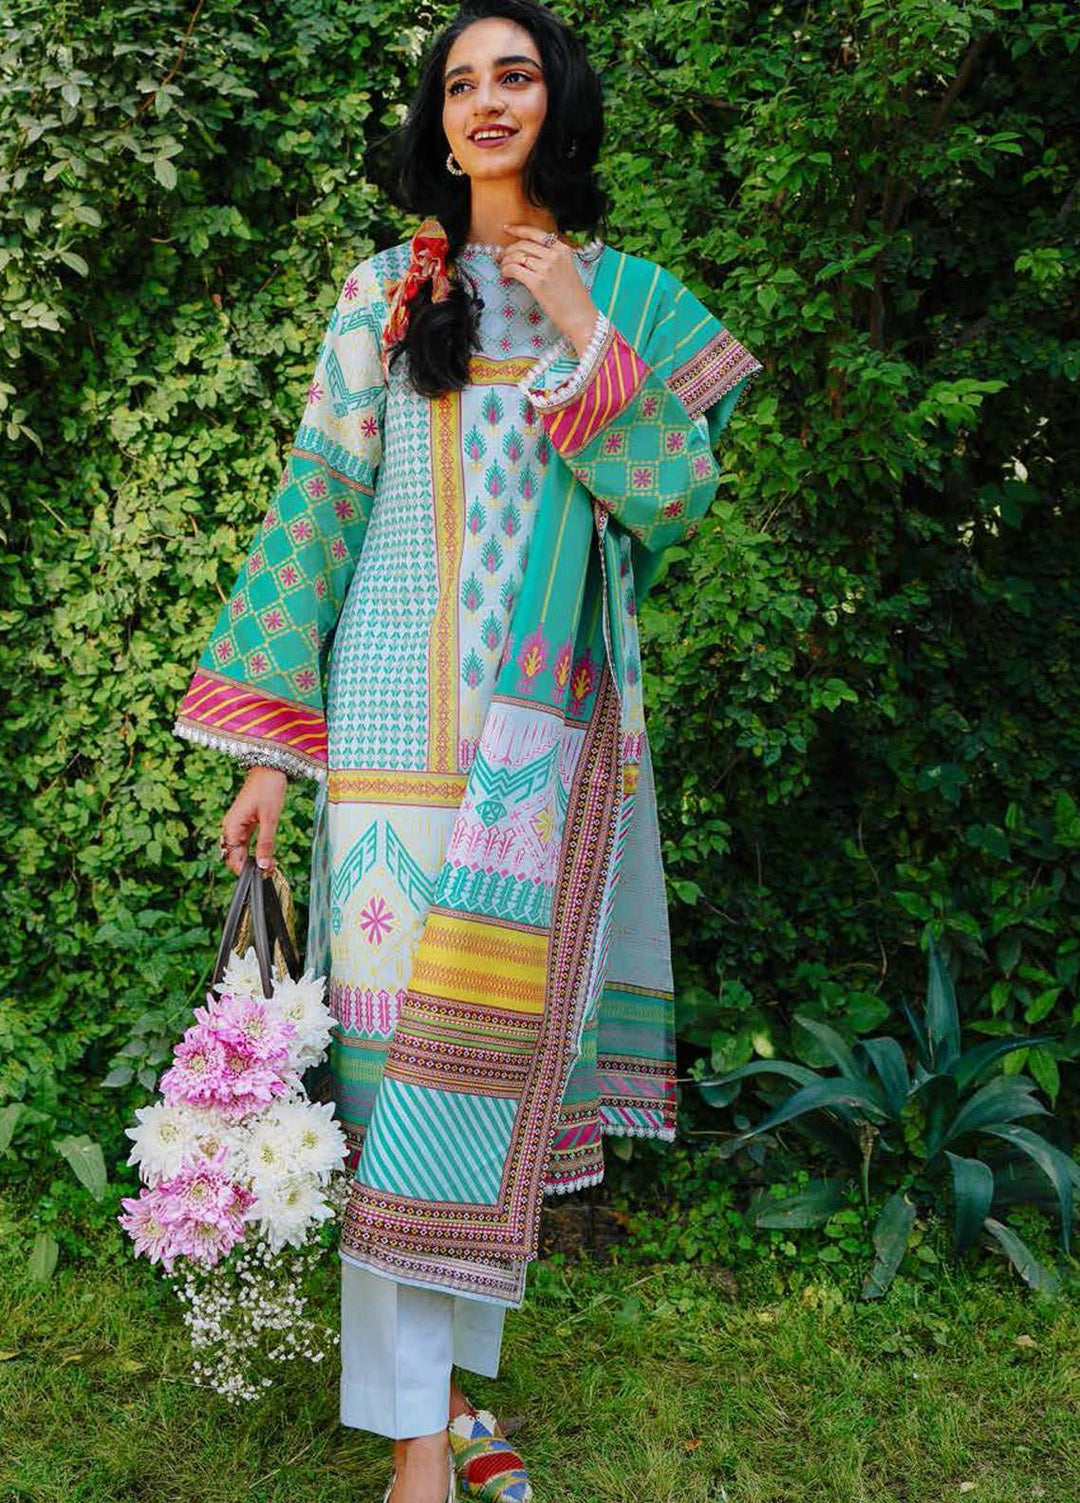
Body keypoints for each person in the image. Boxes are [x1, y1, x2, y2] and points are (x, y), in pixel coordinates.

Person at [174, 1, 762, 1498]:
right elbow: (315, 506)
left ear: (558, 103)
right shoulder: (388, 289)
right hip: (387, 729)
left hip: (539, 737)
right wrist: (268, 747)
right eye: (460, 84)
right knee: (394, 1081)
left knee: (489, 1076)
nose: (486, 102)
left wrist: (578, 326)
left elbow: (678, 497)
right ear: (437, 123)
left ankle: (443, 1400)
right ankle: (418, 1449)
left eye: (514, 77)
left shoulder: (628, 298)